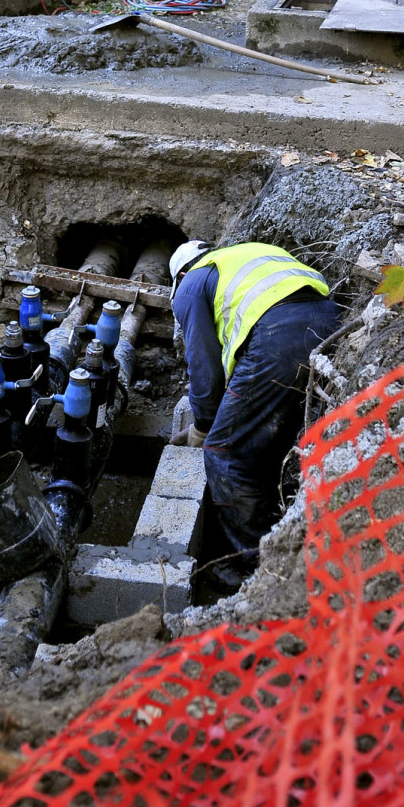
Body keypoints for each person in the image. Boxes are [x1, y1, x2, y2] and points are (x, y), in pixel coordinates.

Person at [169, 239, 341, 585]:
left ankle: (255, 566)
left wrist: (203, 428)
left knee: (225, 453)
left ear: (182, 273)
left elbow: (204, 370)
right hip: (326, 322)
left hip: (277, 334)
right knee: (261, 444)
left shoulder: (191, 283)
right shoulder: (247, 255)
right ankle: (277, 531)